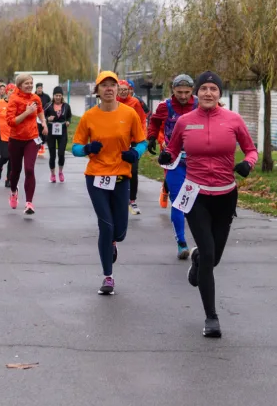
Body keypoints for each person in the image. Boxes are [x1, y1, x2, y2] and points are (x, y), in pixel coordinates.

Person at [159, 71, 257, 338]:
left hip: (226, 195)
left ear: (219, 93)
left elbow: (251, 149)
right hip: (196, 194)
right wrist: (165, 156)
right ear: (196, 93)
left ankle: (199, 260)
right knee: (210, 251)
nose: (208, 93)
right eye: (204, 89)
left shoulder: (233, 120)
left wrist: (247, 164)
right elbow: (173, 149)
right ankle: (211, 317)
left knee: (213, 258)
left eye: (213, 89)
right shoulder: (185, 121)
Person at [72, 70, 147, 295]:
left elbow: (141, 142)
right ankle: (108, 277)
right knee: (105, 225)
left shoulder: (129, 113)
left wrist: (136, 153)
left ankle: (113, 242)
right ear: (97, 91)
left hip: (121, 177)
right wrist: (86, 149)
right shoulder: (89, 117)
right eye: (103, 85)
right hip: (96, 176)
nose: (108, 89)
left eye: (112, 85)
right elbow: (75, 147)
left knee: (120, 231)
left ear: (118, 89)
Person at [147, 74, 198, 259]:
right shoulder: (165, 106)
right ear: (173, 90)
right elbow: (153, 121)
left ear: (192, 91)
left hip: (197, 160)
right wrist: (152, 137)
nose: (183, 96)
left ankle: (202, 241)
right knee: (179, 202)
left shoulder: (200, 105)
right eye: (179, 92)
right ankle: (181, 243)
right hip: (174, 160)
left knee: (197, 203)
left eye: (187, 92)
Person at [6, 74, 48, 215]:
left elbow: (40, 110)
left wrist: (43, 122)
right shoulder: (14, 99)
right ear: (19, 86)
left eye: (31, 83)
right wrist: (27, 112)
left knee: (29, 169)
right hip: (16, 139)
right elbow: (11, 121)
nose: (30, 86)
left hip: (32, 138)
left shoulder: (35, 98)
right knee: (15, 171)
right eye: (26, 83)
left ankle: (29, 203)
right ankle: (13, 191)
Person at [117, 80, 147, 214]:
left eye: (125, 89)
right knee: (117, 169)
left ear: (129, 90)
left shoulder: (135, 102)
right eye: (121, 89)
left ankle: (132, 200)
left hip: (133, 141)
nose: (123, 92)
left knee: (133, 171)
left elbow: (142, 121)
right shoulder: (112, 102)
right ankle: (117, 198)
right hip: (118, 141)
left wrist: (142, 138)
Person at [46, 86, 73, 183]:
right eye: (56, 95)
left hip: (62, 132)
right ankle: (52, 174)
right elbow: (41, 117)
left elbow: (69, 116)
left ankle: (60, 172)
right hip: (51, 132)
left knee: (61, 153)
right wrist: (47, 119)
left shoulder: (66, 106)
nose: (58, 97)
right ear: (53, 96)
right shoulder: (48, 106)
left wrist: (68, 122)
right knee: (52, 155)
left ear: (62, 96)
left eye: (59, 95)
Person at [35, 83, 52, 156]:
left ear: (42, 88)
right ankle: (38, 146)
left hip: (44, 117)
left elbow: (50, 106)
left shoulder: (46, 97)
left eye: (40, 88)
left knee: (44, 132)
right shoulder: (33, 96)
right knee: (37, 132)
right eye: (38, 88)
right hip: (35, 117)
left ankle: (43, 144)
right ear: (36, 89)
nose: (39, 89)